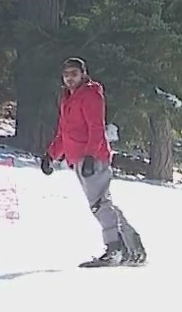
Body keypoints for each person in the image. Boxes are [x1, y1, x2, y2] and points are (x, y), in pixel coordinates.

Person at [41, 56, 147, 266]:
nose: (70, 78)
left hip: (93, 158)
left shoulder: (90, 95)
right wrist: (51, 155)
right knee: (103, 203)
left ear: (83, 74)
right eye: (66, 74)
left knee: (99, 204)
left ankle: (114, 248)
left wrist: (90, 155)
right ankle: (133, 248)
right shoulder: (67, 97)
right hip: (78, 158)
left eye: (74, 74)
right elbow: (65, 132)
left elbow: (96, 128)